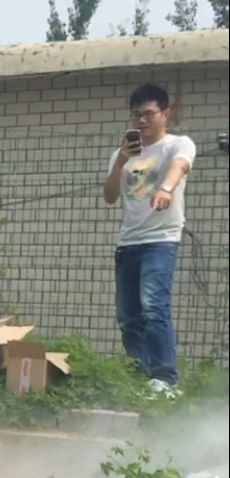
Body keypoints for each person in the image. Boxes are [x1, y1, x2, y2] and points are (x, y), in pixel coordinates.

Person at [102, 83, 196, 397]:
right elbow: (110, 196)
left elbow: (180, 166)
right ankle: (143, 378)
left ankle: (166, 380)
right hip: (128, 243)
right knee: (128, 317)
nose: (141, 120)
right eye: (136, 114)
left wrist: (165, 189)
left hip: (161, 240)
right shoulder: (122, 155)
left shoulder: (178, 144)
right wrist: (119, 163)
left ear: (165, 114)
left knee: (154, 307)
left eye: (148, 114)